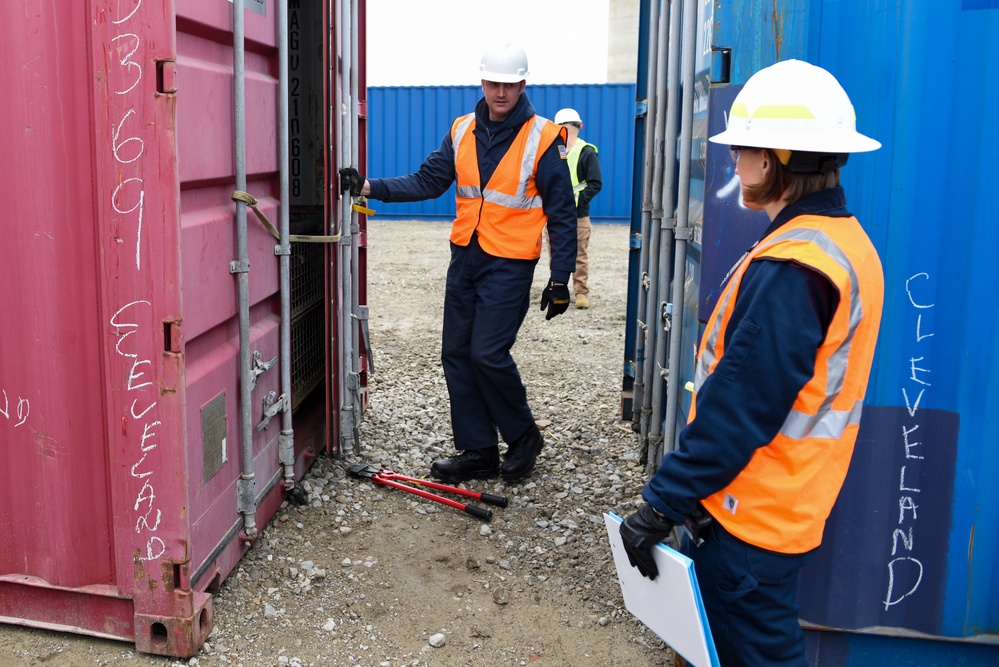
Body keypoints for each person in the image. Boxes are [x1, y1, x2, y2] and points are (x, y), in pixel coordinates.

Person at [619, 59, 884, 667]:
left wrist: (660, 504)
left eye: (741, 150)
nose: (733, 163)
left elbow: (738, 410)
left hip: (749, 520)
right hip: (783, 506)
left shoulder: (795, 266)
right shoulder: (845, 244)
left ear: (773, 159)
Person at [338, 42, 577, 485]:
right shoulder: (462, 129)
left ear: (522, 85)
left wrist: (561, 277)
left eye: (509, 84)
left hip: (510, 262)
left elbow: (562, 212)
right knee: (457, 355)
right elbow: (428, 180)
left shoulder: (544, 137)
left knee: (487, 353)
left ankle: (524, 436)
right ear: (482, 82)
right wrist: (369, 186)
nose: (500, 92)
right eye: (493, 83)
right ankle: (479, 450)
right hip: (465, 256)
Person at [553, 108, 602, 309]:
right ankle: (558, 291)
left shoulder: (586, 152)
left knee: (578, 255)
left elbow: (595, 183)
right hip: (556, 213)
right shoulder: (554, 151)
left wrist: (578, 201)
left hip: (577, 215)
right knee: (557, 255)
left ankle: (581, 293)